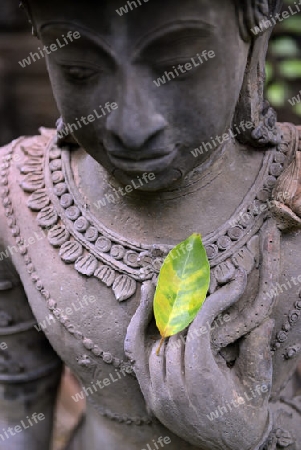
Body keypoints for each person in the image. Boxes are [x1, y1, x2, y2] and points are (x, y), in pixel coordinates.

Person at [0, 0, 300, 448]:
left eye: (177, 69)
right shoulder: (19, 192)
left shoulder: (292, 188)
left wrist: (251, 435)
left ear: (254, 28)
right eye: (80, 71)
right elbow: (16, 399)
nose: (131, 127)